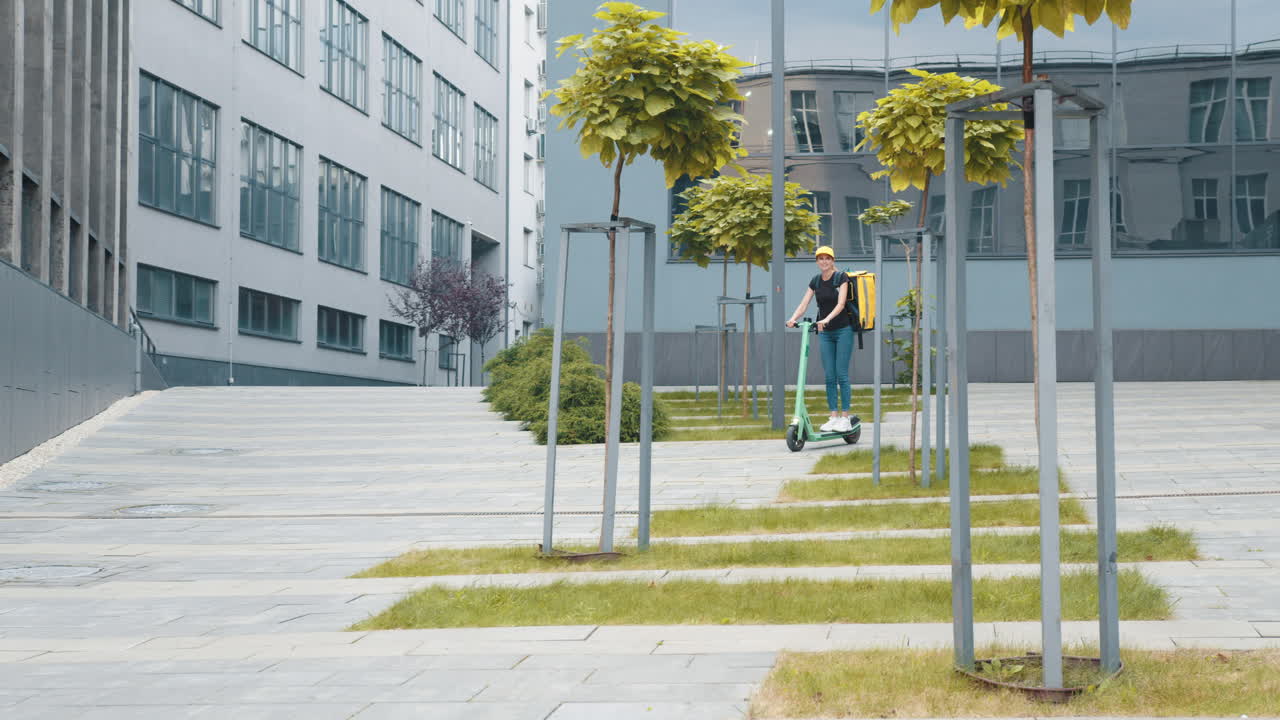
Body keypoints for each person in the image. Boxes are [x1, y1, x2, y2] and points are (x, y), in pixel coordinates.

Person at [786, 246, 856, 433]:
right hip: (825, 333)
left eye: (827, 258)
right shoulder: (816, 281)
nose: (824, 261)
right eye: (820, 258)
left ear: (832, 260)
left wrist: (826, 319)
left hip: (843, 330)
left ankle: (845, 418)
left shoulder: (841, 278)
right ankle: (833, 416)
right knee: (829, 376)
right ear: (817, 261)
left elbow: (841, 304)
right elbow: (804, 303)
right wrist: (793, 318)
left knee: (841, 374)